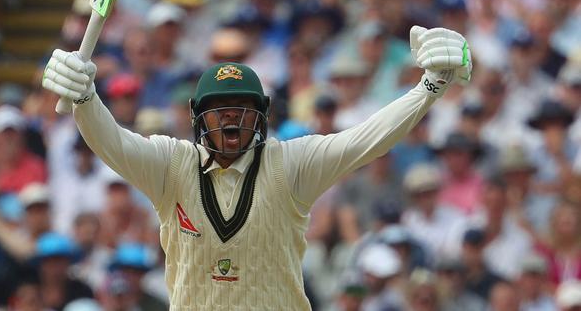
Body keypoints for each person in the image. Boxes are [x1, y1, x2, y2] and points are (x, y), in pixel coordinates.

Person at [41, 25, 473, 309]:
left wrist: (429, 87)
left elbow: (366, 138)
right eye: (219, 110)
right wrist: (85, 100)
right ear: (198, 118)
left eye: (243, 108)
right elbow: (113, 143)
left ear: (262, 115)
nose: (231, 117)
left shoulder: (291, 163)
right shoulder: (171, 164)